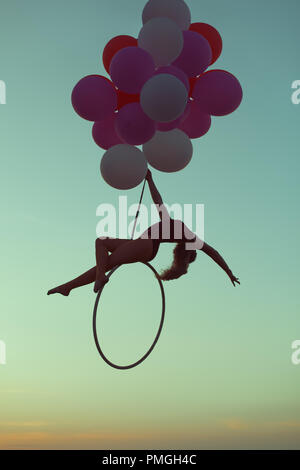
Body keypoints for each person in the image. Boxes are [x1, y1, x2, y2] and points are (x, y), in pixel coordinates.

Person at [47, 170, 240, 297]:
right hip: (143, 244)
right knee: (101, 244)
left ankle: (86, 281)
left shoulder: (188, 236)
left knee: (107, 260)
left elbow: (213, 252)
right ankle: (70, 286)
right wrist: (150, 180)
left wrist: (228, 272)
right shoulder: (178, 229)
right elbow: (158, 201)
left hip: (146, 245)